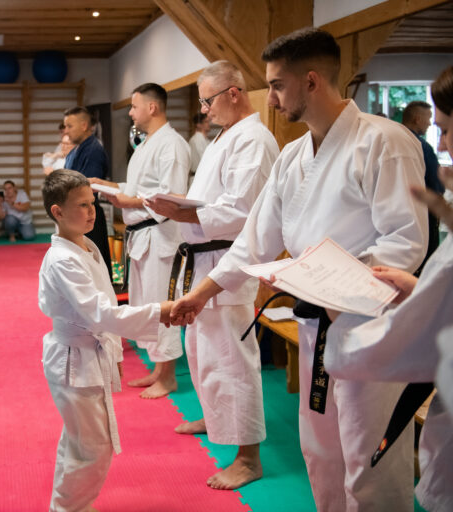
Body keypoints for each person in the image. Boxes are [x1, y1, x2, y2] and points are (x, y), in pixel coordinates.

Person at [171, 28, 427, 511]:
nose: (269, 98)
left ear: (311, 81)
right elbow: (255, 239)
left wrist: (338, 286)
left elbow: (404, 241)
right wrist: (201, 292)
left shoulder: (383, 142)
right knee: (321, 448)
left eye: (276, 85)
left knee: (368, 458)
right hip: (313, 320)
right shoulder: (292, 156)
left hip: (368, 324)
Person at [145, 60, 279, 489]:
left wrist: (181, 211)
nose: (204, 110)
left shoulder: (254, 140)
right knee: (202, 353)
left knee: (233, 362)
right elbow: (211, 199)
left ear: (233, 93)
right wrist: (178, 204)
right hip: (203, 260)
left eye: (207, 101)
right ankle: (215, 417)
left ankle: (249, 458)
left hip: (228, 261)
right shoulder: (226, 136)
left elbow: (242, 212)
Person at [324, 65, 453, 512]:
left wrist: (342, 329)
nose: (443, 145)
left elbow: (407, 344)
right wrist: (421, 289)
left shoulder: (387, 141)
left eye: (446, 129)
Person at [39, 169, 173, 512]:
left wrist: (115, 353)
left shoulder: (87, 246)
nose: (92, 212)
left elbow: (107, 303)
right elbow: (100, 313)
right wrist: (159, 311)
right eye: (82, 205)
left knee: (81, 442)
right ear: (57, 212)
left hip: (88, 353)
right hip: (73, 360)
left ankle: (70, 506)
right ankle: (69, 508)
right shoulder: (62, 260)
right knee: (92, 446)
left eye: (93, 203)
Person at [93, 82, 189, 399]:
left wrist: (126, 201)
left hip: (161, 237)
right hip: (142, 236)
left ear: (152, 107)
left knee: (163, 304)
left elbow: (172, 196)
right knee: (146, 304)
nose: (131, 113)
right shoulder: (147, 144)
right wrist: (106, 185)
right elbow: (137, 188)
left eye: (134, 107)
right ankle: (159, 369)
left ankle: (169, 376)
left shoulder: (171, 145)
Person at [63, 106, 113, 278]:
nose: (66, 131)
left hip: (88, 217)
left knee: (94, 271)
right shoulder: (75, 151)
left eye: (69, 126)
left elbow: (86, 190)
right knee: (79, 269)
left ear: (84, 125)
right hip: (74, 216)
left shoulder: (93, 150)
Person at [402, 100, 444, 265]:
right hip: (424, 212)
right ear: (418, 119)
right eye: (428, 118)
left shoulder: (391, 141)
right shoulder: (422, 147)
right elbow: (436, 185)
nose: (429, 123)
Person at [188, 112, 211, 178]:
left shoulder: (206, 140)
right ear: (198, 125)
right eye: (206, 122)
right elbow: (205, 160)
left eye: (208, 121)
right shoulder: (196, 139)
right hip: (198, 176)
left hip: (205, 175)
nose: (208, 124)